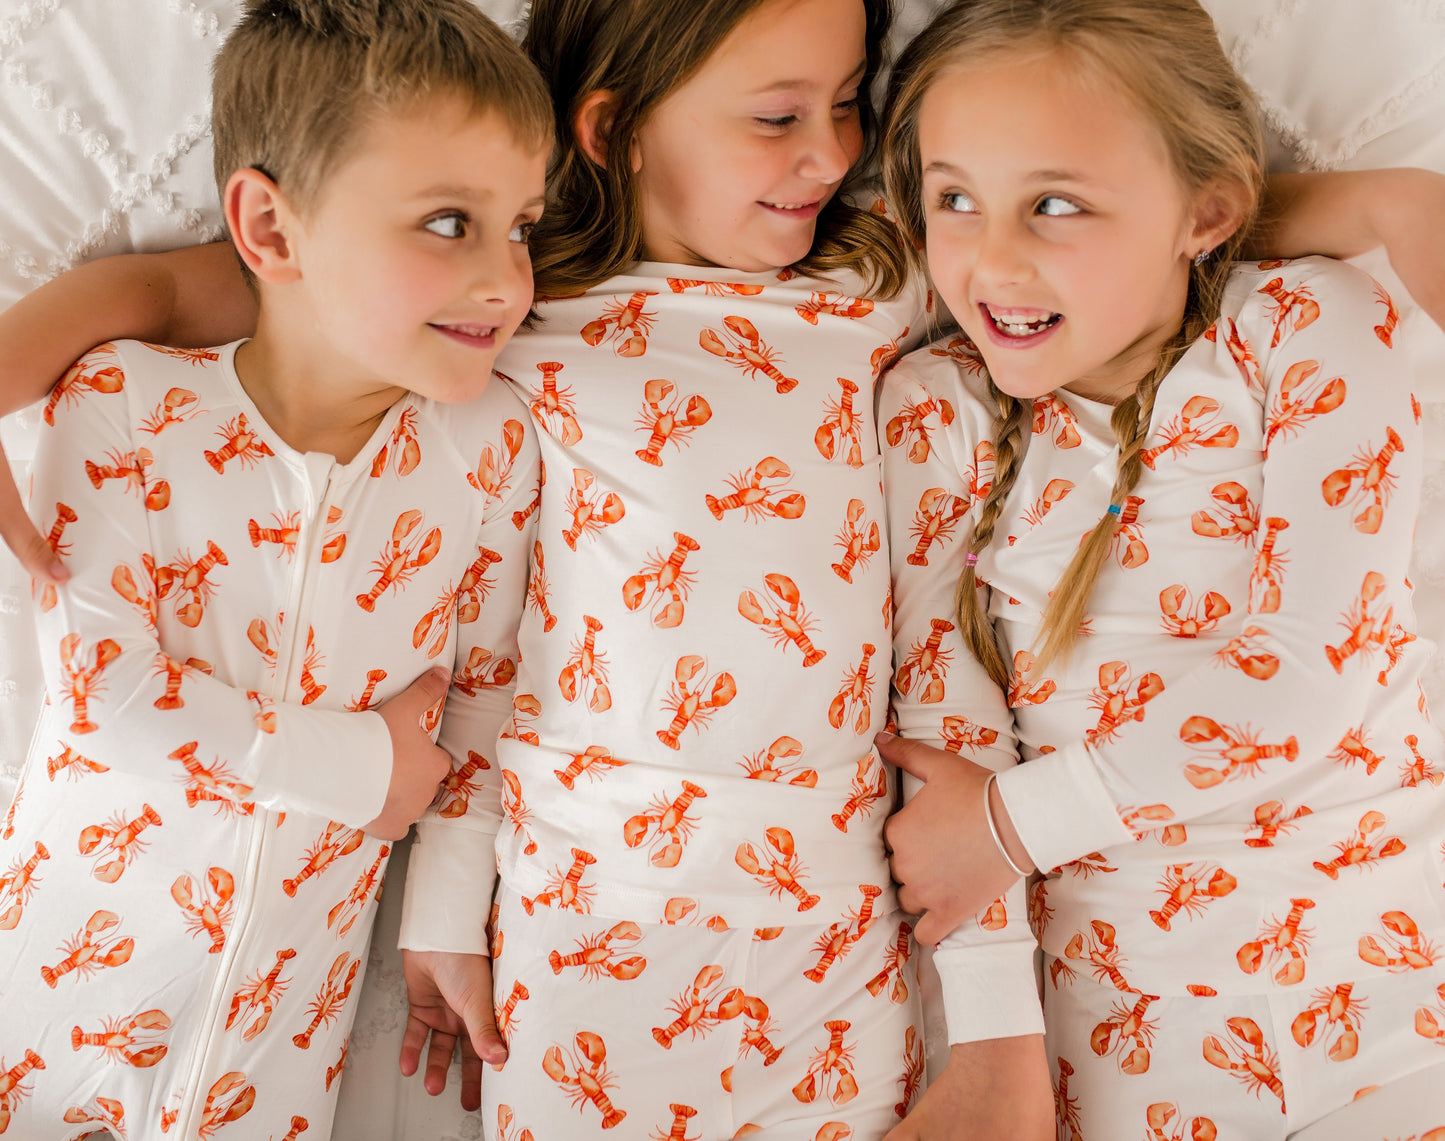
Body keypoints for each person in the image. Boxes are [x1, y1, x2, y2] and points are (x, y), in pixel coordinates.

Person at [0, 2, 1443, 1138]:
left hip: (831, 898)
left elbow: (1083, 244)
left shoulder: (882, 299)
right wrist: (450, 905)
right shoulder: (519, 318)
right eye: (778, 118)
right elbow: (486, 627)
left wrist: (1357, 204)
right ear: (615, 127)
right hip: (590, 894)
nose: (827, 156)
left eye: (845, 112)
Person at [875, 1, 1445, 1138]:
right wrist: (992, 1045)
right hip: (1129, 1027)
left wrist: (1010, 827)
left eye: (1053, 203)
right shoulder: (931, 409)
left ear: (1210, 208)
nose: (990, 258)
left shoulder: (1305, 327)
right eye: (952, 199)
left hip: (1391, 982)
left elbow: (1303, 669)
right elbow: (945, 741)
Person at [0, 1, 549, 1137]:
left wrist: (443, 913)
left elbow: (491, 693)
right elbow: (109, 704)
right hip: (43, 1026)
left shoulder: (491, 449)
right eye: (449, 222)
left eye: (524, 227)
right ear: (271, 229)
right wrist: (364, 771)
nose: (507, 281)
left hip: (272, 1076)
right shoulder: (129, 406)